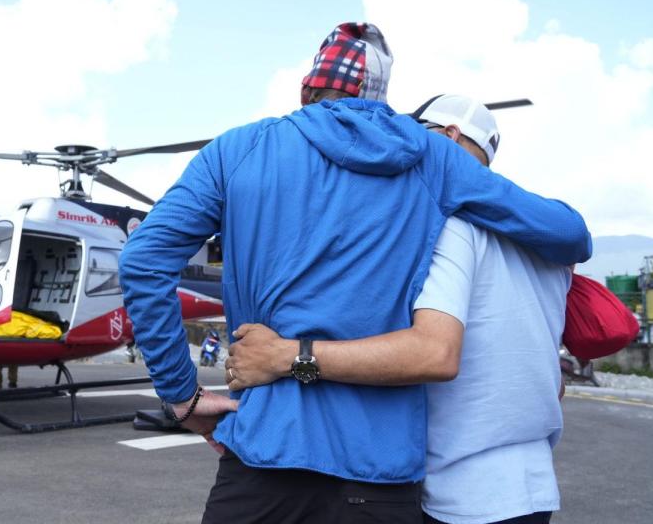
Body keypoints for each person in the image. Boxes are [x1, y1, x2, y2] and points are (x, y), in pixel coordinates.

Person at [119, 22, 592, 523]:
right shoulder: (432, 158)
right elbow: (570, 235)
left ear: (307, 89)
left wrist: (182, 394)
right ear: (383, 98)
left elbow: (143, 260)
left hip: (264, 458)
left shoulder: (239, 150)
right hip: (381, 475)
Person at [227, 94, 570, 523]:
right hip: (533, 485)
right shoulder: (549, 245)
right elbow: (549, 377)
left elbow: (433, 353)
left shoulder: (451, 227)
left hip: (461, 493)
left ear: (447, 138)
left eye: (416, 138)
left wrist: (289, 356)